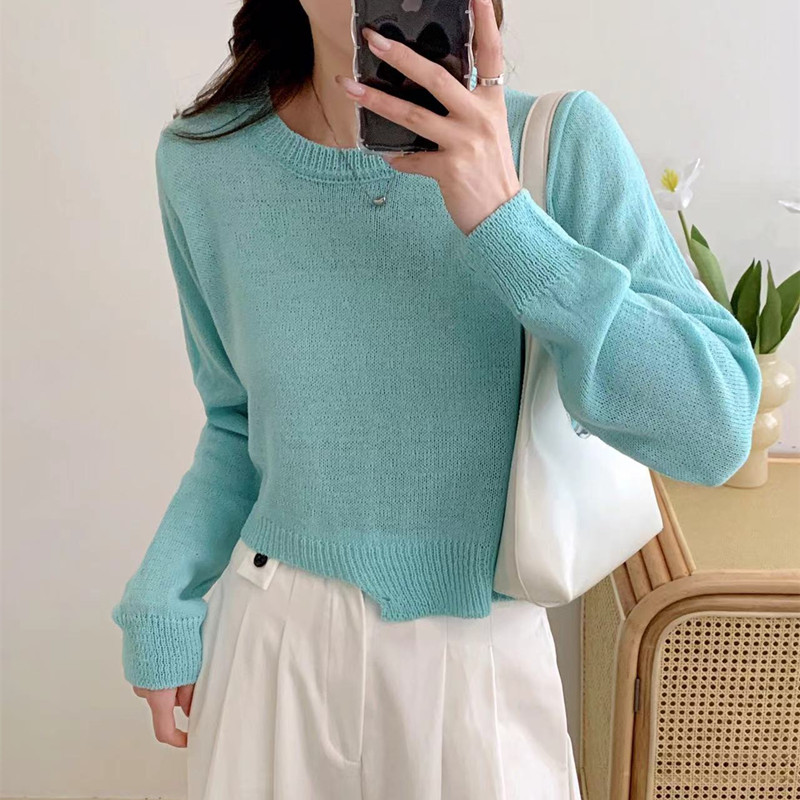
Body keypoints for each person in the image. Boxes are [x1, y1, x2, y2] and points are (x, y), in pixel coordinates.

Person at [111, 0, 762, 797]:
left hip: (476, 663)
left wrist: (508, 221)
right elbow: (237, 421)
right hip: (269, 651)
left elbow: (715, 427)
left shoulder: (559, 144)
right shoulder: (204, 162)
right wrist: (165, 592)